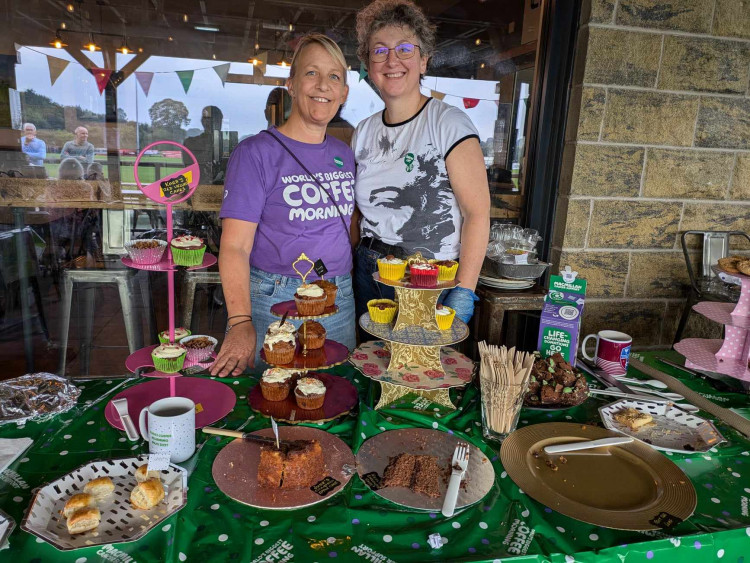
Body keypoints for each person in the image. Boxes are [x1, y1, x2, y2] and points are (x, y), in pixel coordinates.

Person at [211, 33, 355, 377]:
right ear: (291, 84)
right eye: (311, 73)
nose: (323, 85)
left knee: (332, 391)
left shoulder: (343, 154)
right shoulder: (255, 153)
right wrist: (241, 321)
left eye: (334, 76)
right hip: (275, 296)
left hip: (337, 294)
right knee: (275, 399)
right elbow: (233, 246)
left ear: (344, 93)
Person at [352, 0, 490, 330]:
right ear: (369, 66)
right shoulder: (363, 131)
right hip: (369, 270)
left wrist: (464, 292)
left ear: (424, 60)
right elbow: (357, 213)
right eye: (379, 51)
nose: (392, 60)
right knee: (374, 369)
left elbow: (477, 213)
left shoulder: (449, 123)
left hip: (428, 276)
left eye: (404, 49)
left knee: (418, 375)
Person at [183, 106, 227, 184]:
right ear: (202, 121)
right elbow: (190, 169)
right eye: (207, 119)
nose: (210, 122)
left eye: (214, 119)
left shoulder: (227, 145)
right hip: (198, 189)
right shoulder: (191, 143)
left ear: (220, 122)